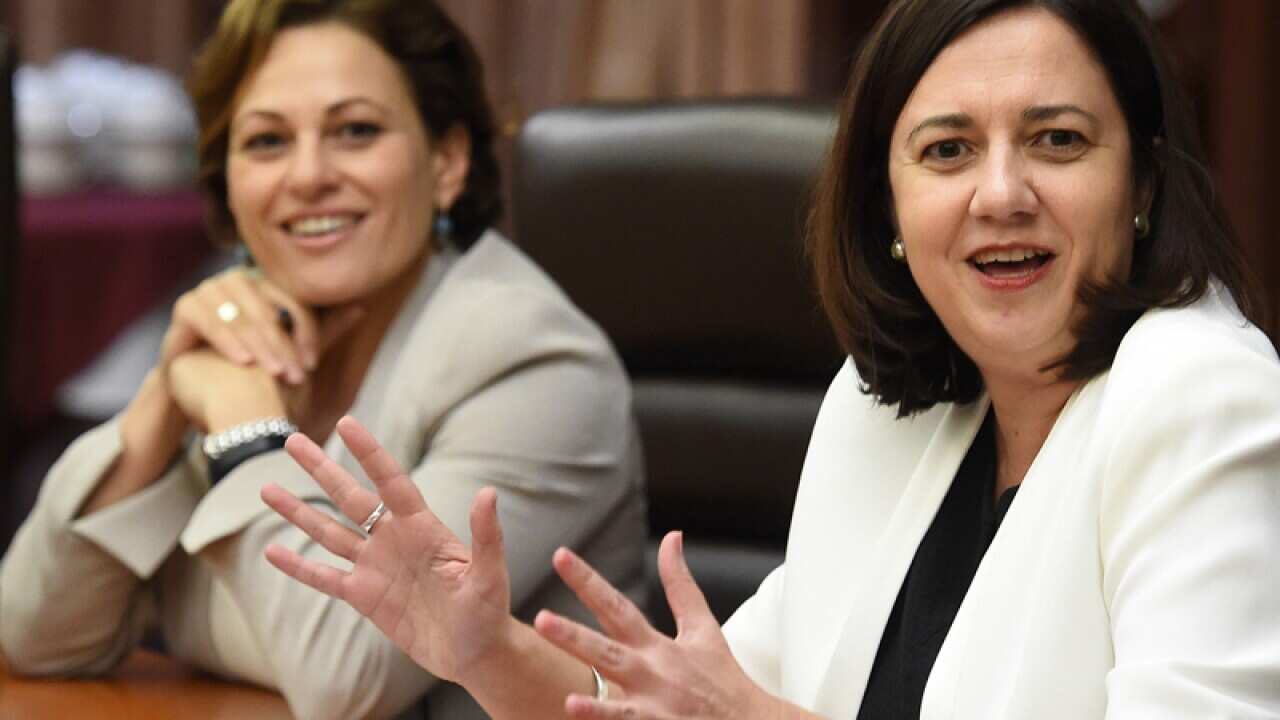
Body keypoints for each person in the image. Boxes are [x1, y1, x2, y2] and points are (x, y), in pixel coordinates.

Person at [260, 0, 1280, 718]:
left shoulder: (1197, 396)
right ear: (885, 207)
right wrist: (484, 652)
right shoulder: (886, 411)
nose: (1000, 192)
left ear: (1140, 183)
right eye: (945, 150)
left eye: (1055, 141)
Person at [0, 1, 647, 718]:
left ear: (446, 161)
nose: (308, 176)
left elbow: (345, 679)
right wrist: (165, 398)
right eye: (267, 141)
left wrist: (245, 437)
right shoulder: (242, 337)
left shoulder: (533, 361)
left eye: (356, 131)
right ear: (229, 183)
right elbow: (38, 637)